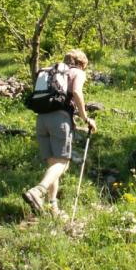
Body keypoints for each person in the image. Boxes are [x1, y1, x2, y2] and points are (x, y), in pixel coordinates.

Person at [23, 49, 97, 218]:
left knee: (53, 165)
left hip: (41, 119)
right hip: (59, 120)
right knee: (63, 163)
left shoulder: (52, 72)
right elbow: (77, 92)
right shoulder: (77, 72)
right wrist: (86, 118)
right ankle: (38, 191)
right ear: (81, 63)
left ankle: (52, 206)